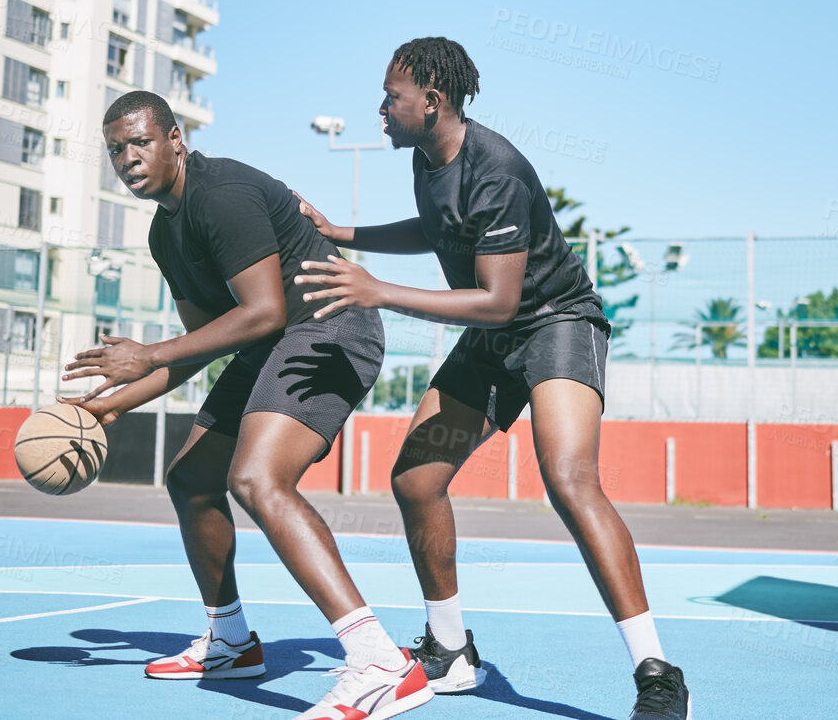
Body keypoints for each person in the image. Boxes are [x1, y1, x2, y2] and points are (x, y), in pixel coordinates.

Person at [292, 38, 692, 720]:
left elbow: (500, 300)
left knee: (569, 479)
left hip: (553, 322)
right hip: (490, 336)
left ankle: (656, 670)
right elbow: (436, 226)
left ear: (432, 100)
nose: (380, 109)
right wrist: (343, 232)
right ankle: (449, 650)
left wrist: (375, 290)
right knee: (416, 478)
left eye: (391, 97)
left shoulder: (496, 166)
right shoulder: (426, 158)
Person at [64, 90, 432, 720]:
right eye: (116, 150)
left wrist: (148, 355)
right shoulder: (165, 233)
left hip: (329, 327)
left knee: (258, 478)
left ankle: (378, 661)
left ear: (175, 139)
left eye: (140, 142)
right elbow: (198, 347)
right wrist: (111, 407)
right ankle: (230, 640)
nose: (127, 158)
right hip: (274, 338)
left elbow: (261, 309)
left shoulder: (220, 195)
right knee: (192, 478)